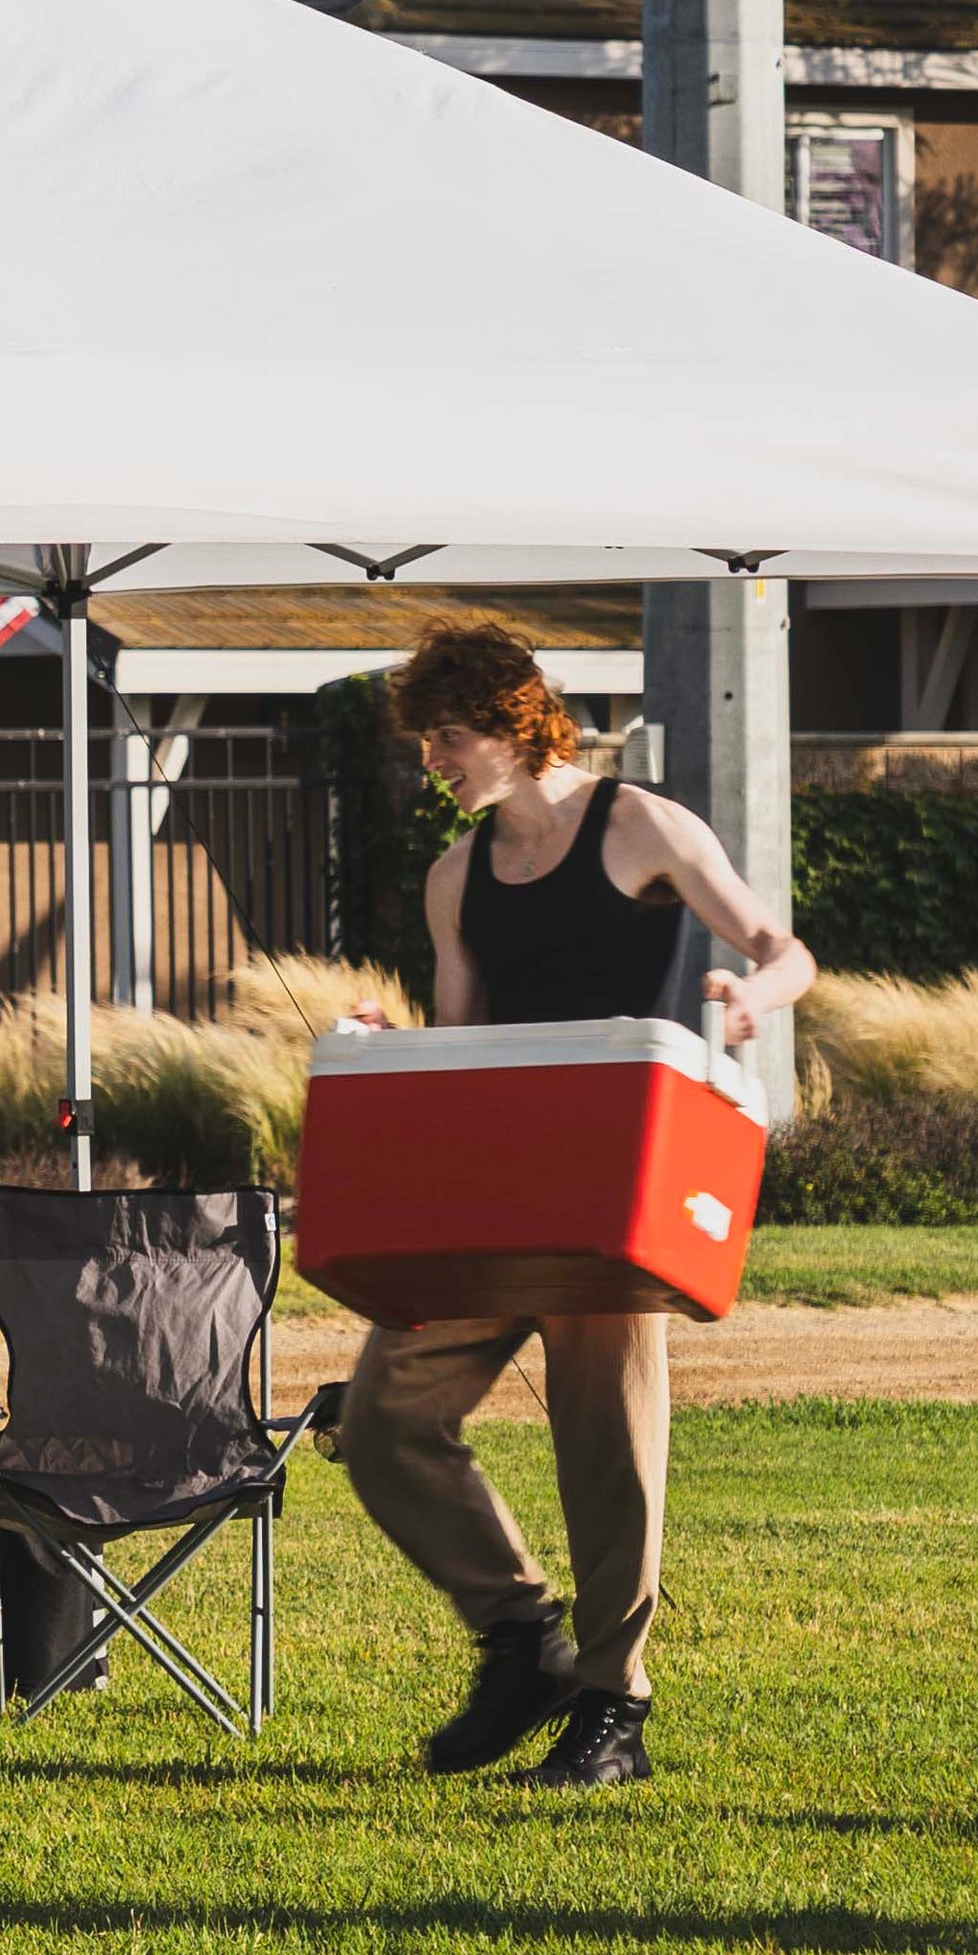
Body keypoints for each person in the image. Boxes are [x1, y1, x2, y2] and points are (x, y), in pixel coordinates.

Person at [338, 618, 816, 1792]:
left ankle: (614, 1707)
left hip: (621, 1198)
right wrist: (396, 1047)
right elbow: (462, 1050)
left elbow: (783, 945)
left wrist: (754, 993)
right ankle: (520, 1637)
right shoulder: (459, 879)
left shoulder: (640, 824)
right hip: (495, 1195)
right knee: (382, 1419)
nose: (431, 763)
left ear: (513, 719)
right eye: (424, 744)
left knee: (608, 1455)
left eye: (445, 738)